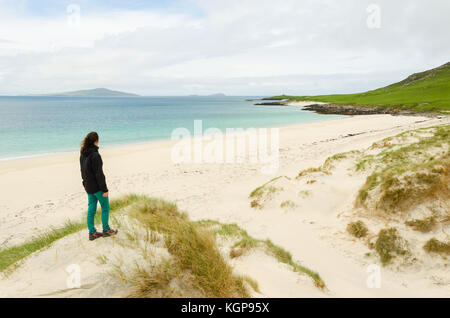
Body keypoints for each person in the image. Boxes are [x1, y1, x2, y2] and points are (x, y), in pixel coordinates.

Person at [80, 132, 118, 241]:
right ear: (96, 141)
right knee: (105, 208)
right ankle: (106, 230)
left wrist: (84, 184)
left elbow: (82, 171)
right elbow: (99, 174)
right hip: (97, 188)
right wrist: (104, 189)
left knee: (91, 210)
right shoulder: (95, 155)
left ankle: (92, 233)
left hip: (89, 187)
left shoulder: (82, 153)